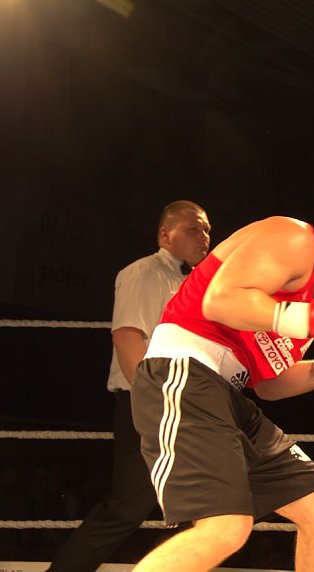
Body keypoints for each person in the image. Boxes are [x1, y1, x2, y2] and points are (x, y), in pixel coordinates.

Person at [129, 216, 314, 571]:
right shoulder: (294, 239)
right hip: (184, 369)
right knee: (226, 526)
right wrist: (310, 319)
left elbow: (268, 384)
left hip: (227, 395)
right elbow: (219, 301)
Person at [49, 200, 211, 572]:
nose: (204, 236)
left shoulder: (187, 283)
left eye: (207, 230)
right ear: (165, 235)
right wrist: (155, 405)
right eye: (194, 228)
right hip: (150, 408)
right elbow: (127, 340)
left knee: (203, 506)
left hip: (181, 406)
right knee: (127, 509)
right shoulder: (145, 273)